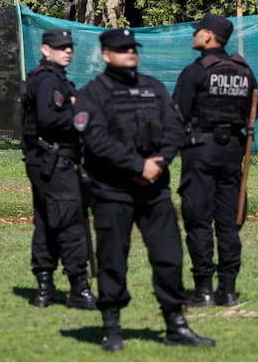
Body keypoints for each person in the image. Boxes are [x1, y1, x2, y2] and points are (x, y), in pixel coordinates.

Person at [74, 28, 215, 351]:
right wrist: (138, 166)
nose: (130, 53)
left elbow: (175, 129)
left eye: (132, 48)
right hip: (113, 191)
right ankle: (111, 326)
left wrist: (159, 162)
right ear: (106, 54)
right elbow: (95, 141)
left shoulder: (153, 88)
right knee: (112, 260)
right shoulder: (93, 93)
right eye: (122, 49)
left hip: (155, 190)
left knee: (169, 258)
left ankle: (175, 324)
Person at [172, 13, 258, 308]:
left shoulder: (195, 72)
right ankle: (228, 291)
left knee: (198, 221)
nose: (193, 35)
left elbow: (176, 116)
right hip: (233, 152)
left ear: (209, 36)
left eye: (198, 31)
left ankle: (203, 291)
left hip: (200, 151)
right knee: (228, 223)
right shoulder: (244, 71)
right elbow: (252, 113)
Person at [20, 29, 96, 310]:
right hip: (54, 161)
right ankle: (79, 287)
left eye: (69, 47)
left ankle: (44, 286)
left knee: (47, 222)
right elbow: (50, 120)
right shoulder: (49, 80)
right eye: (60, 47)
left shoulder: (47, 78)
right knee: (69, 223)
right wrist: (79, 112)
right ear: (45, 50)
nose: (67, 51)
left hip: (43, 160)